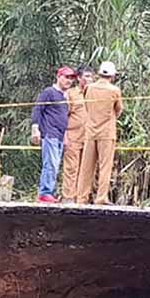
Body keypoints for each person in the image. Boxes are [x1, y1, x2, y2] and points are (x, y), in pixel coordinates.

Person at [75, 61, 124, 205]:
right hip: (107, 133)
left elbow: (87, 104)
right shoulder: (114, 90)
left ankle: (81, 198)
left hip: (90, 131)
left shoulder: (89, 88)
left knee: (86, 166)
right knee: (105, 166)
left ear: (99, 73)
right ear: (113, 75)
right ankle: (101, 197)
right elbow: (119, 109)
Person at [31, 66, 75, 203]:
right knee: (50, 164)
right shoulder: (49, 92)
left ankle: (49, 192)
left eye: (71, 78)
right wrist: (35, 128)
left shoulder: (64, 97)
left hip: (60, 136)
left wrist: (66, 137)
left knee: (55, 164)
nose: (69, 81)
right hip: (50, 133)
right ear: (58, 77)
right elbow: (38, 108)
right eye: (66, 77)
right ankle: (45, 192)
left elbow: (64, 118)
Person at [61, 66, 94, 203]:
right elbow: (63, 116)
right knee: (71, 168)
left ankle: (83, 198)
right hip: (73, 136)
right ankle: (69, 198)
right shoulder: (71, 94)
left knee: (87, 169)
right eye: (86, 76)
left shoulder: (94, 94)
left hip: (90, 137)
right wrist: (64, 136)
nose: (89, 79)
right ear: (79, 78)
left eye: (91, 77)